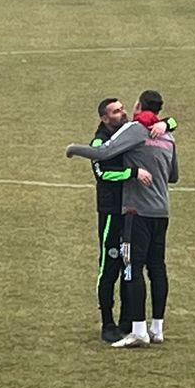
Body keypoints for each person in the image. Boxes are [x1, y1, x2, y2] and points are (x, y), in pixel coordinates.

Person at [66, 90, 179, 349]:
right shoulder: (102, 139)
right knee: (110, 267)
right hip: (112, 212)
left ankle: (129, 321)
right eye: (116, 111)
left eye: (123, 108)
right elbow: (103, 172)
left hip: (133, 212)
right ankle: (108, 323)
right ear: (105, 119)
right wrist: (132, 172)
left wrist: (167, 123)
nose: (123, 112)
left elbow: (161, 122)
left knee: (132, 266)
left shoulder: (136, 130)